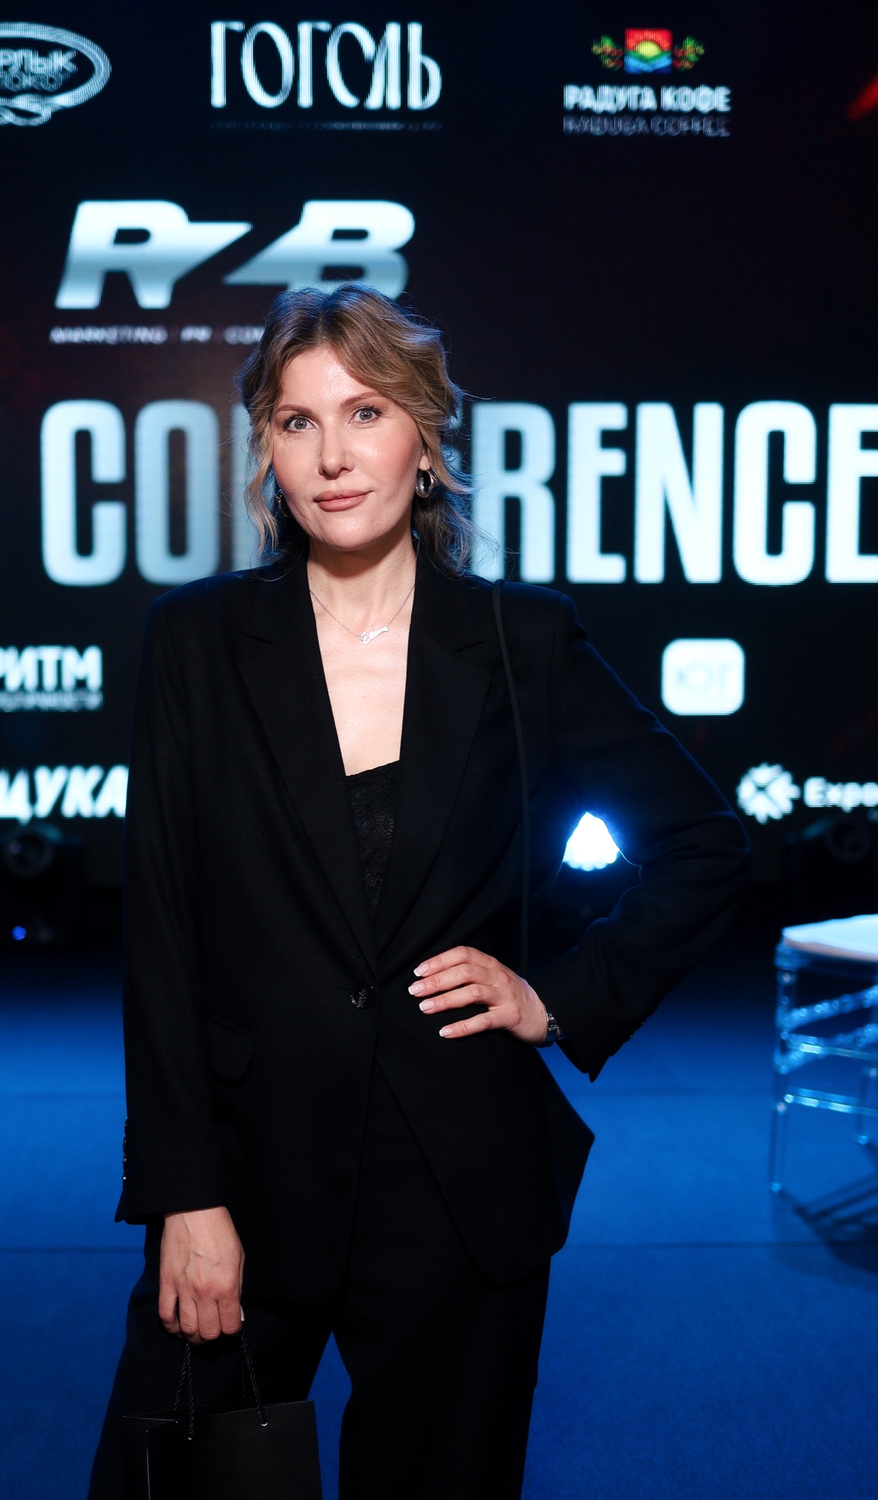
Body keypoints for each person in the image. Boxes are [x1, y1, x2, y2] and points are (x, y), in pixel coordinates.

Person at [88, 285, 750, 1500]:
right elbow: (164, 938)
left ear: (427, 440)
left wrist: (556, 997)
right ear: (265, 450)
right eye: (296, 422)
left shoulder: (519, 642)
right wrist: (183, 1194)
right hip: (248, 1172)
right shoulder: (196, 643)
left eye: (365, 413)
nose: (331, 456)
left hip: (459, 1181)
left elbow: (706, 843)